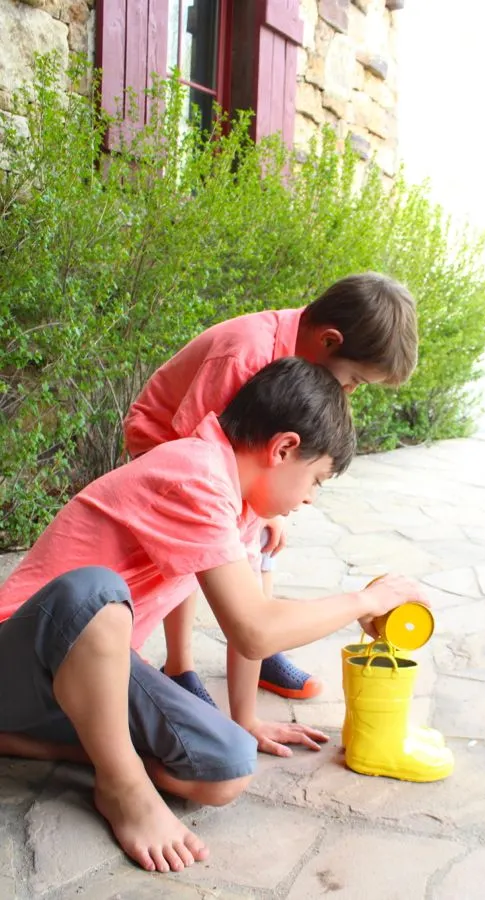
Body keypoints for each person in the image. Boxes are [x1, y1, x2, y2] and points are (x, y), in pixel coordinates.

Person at [0, 358, 428, 874]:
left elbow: (252, 619)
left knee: (224, 769)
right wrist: (363, 602)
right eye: (316, 479)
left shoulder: (238, 504)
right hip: (19, 656)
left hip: (86, 679)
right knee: (96, 593)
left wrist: (244, 721)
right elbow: (254, 629)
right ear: (284, 448)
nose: (311, 497)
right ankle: (122, 786)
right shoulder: (193, 474)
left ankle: (54, 744)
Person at [123, 272, 419, 702]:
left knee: (259, 537)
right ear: (330, 341)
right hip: (169, 438)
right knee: (200, 550)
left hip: (234, 455)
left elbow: (257, 461)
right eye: (355, 379)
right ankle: (181, 664)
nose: (350, 391)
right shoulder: (244, 357)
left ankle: (261, 643)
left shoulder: (307, 354)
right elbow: (196, 455)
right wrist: (250, 520)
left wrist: (266, 515)